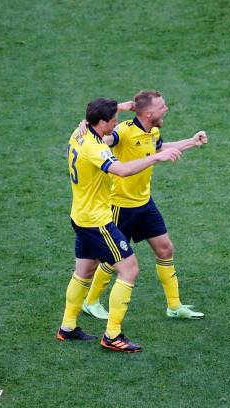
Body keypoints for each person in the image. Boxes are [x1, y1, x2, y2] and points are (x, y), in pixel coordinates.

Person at [56, 98, 182, 353]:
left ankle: (67, 327)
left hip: (80, 215)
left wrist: (123, 106)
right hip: (97, 221)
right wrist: (156, 158)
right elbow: (121, 170)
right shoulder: (95, 146)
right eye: (113, 120)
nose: (116, 124)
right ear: (101, 122)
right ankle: (112, 335)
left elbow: (98, 119)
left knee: (84, 270)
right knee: (129, 270)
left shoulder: (78, 132)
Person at [81, 90, 206, 320]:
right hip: (120, 205)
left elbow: (158, 149)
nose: (166, 109)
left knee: (165, 249)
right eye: (162, 107)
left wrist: (191, 142)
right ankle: (91, 301)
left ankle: (174, 306)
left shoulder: (153, 130)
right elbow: (101, 138)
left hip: (144, 203)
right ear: (148, 113)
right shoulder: (123, 131)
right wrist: (89, 124)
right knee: (111, 259)